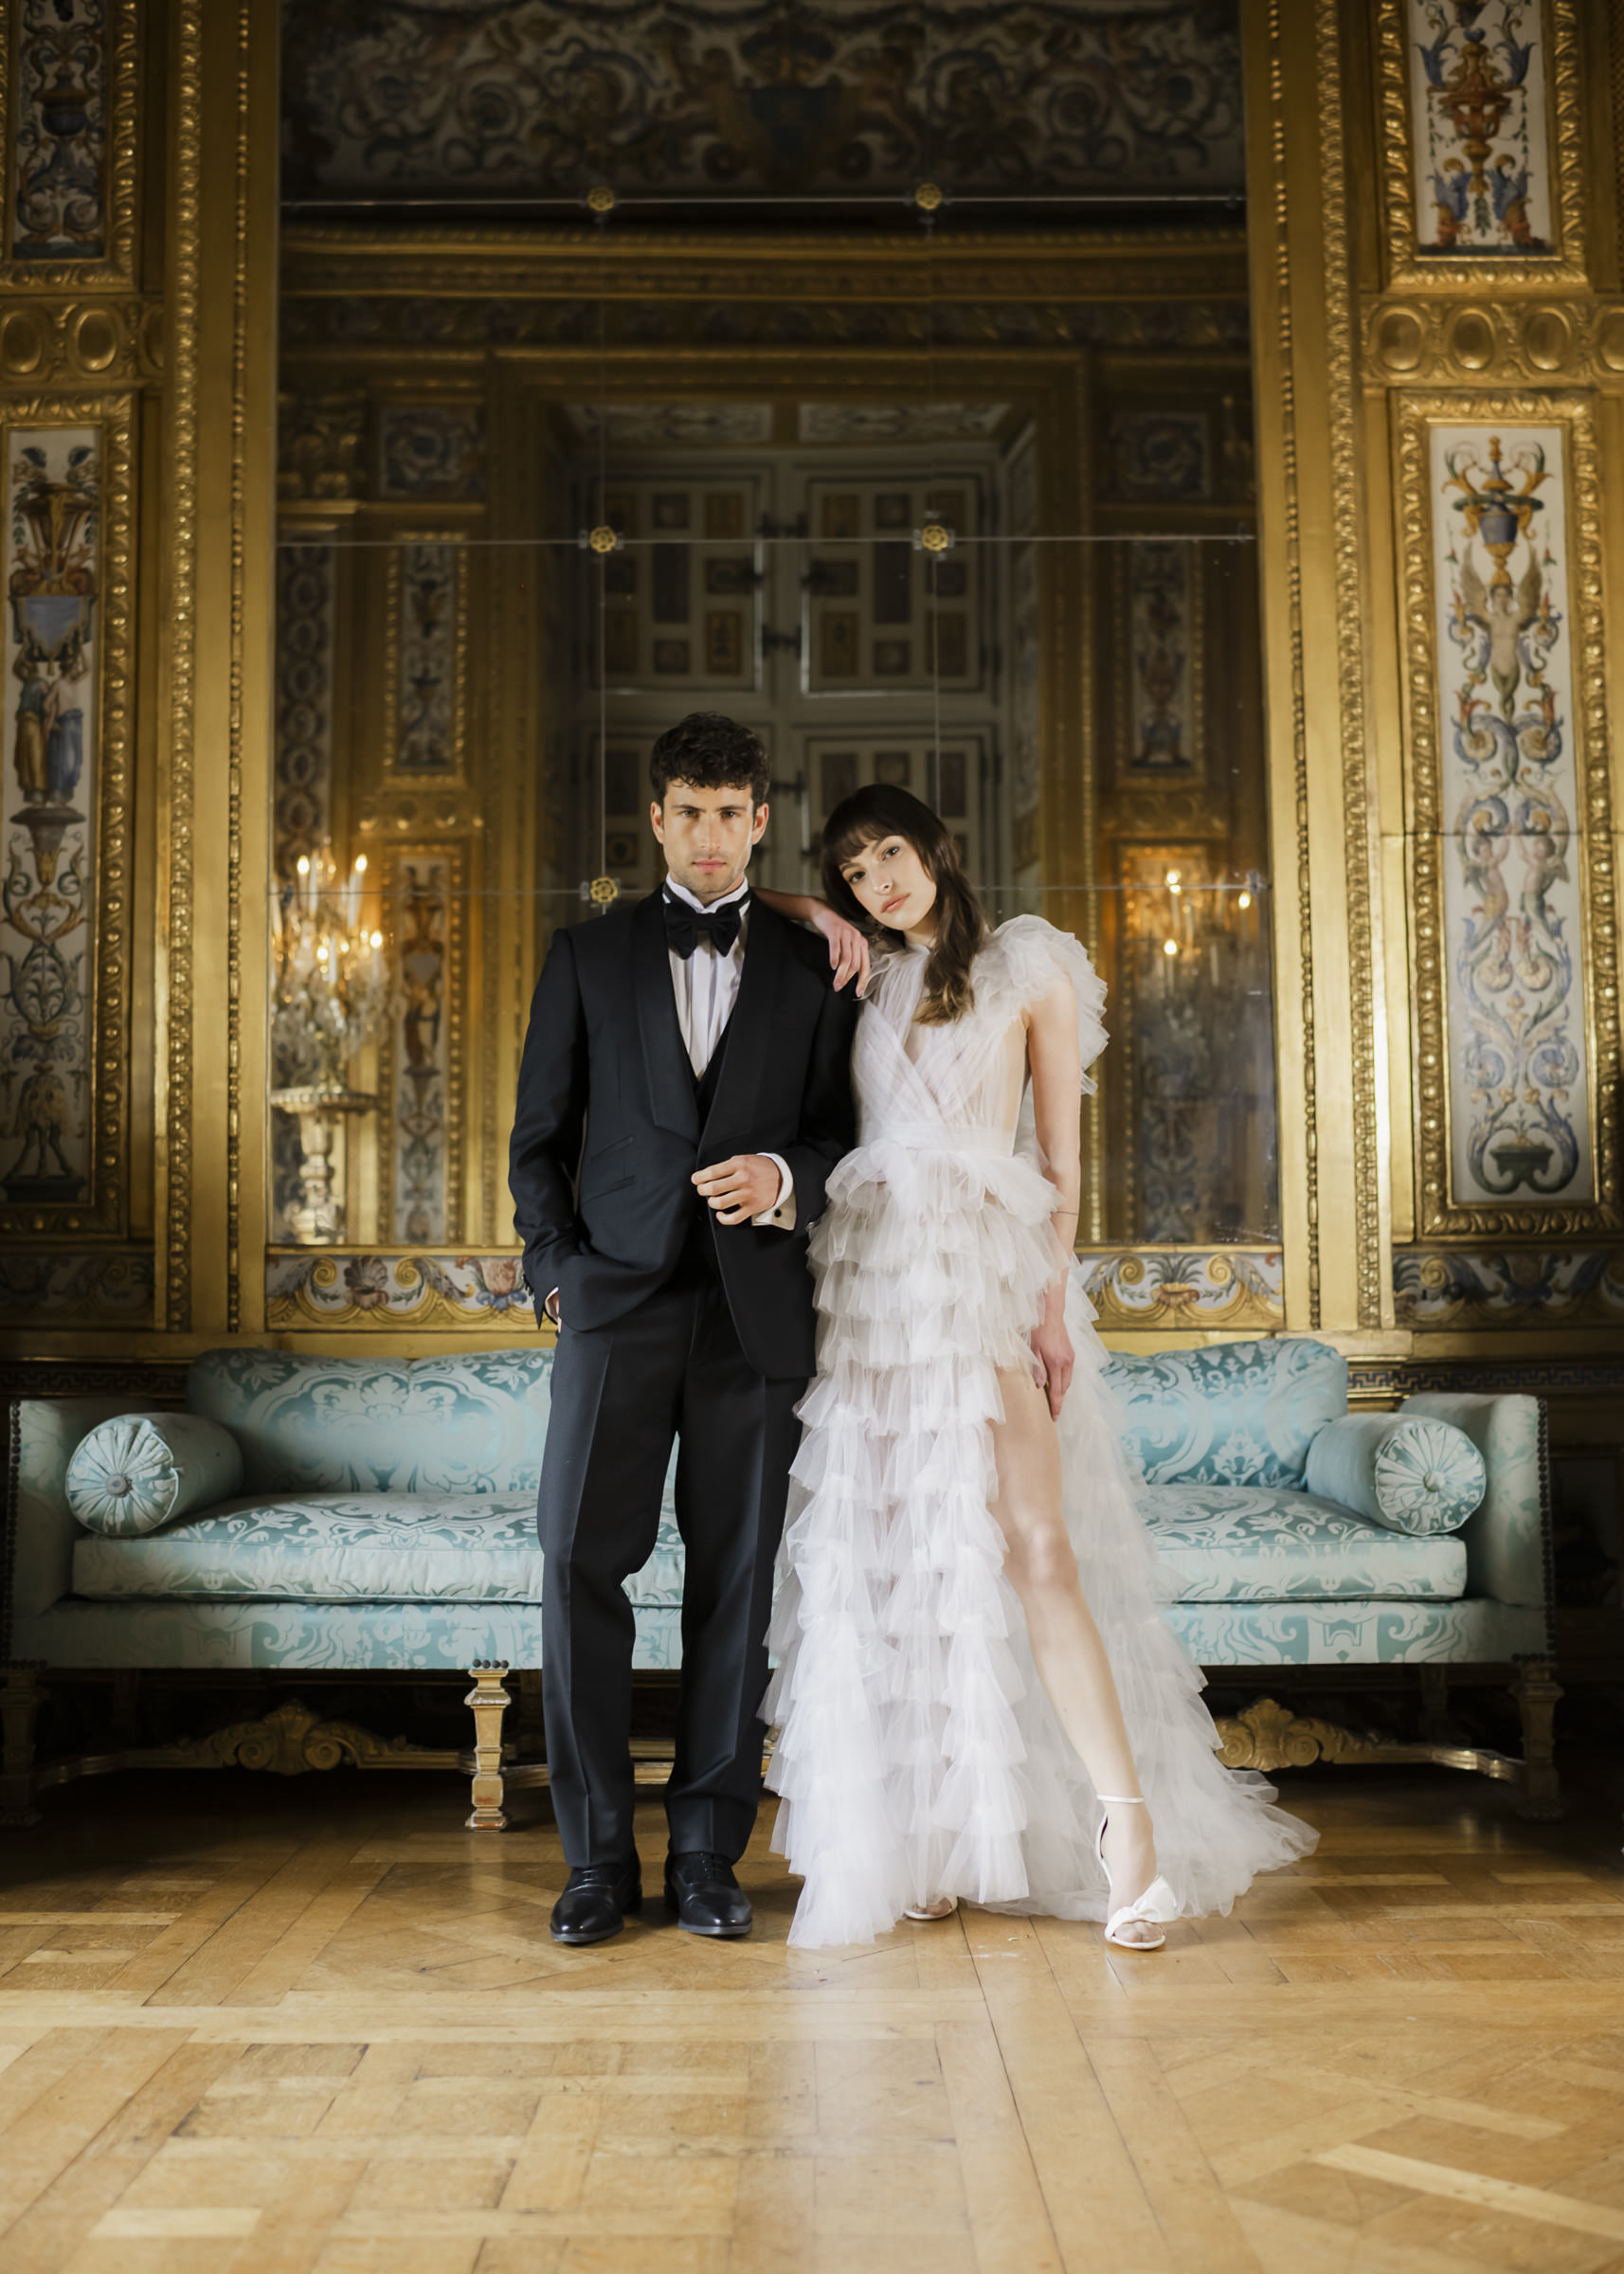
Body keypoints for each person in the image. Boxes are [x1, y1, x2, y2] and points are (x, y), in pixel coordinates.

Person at [765, 785, 1316, 1952]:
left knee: (1035, 1545)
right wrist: (812, 906)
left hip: (988, 1273)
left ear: (938, 846)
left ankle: (1129, 1832)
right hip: (869, 1288)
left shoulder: (1026, 966)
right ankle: (939, 1834)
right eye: (856, 872)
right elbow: (732, 900)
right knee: (903, 1557)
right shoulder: (858, 971)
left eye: (892, 856)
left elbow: (1061, 1168)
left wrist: (1052, 1310)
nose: (880, 884)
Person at [510, 713, 864, 1947]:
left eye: (732, 816)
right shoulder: (588, 953)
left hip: (754, 1313)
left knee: (736, 1588)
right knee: (574, 1566)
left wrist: (786, 1177)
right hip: (613, 1306)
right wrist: (554, 1272)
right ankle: (596, 1860)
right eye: (689, 814)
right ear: (656, 819)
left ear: (759, 823)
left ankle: (709, 1857)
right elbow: (536, 1141)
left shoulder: (815, 966)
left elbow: (846, 1136)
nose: (710, 838)